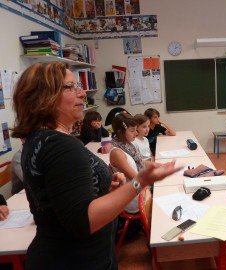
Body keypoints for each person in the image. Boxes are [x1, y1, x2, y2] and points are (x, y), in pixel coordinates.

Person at [11, 62, 182, 270]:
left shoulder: (38, 140)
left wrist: (102, 190)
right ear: (45, 97)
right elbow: (83, 222)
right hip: (79, 261)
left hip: (62, 255)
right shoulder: (60, 146)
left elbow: (62, 201)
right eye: (71, 87)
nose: (82, 93)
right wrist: (141, 181)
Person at [109, 112, 153, 213]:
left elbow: (140, 163)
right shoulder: (117, 153)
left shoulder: (130, 145)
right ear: (120, 132)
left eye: (136, 130)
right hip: (133, 197)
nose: (136, 133)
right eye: (132, 131)